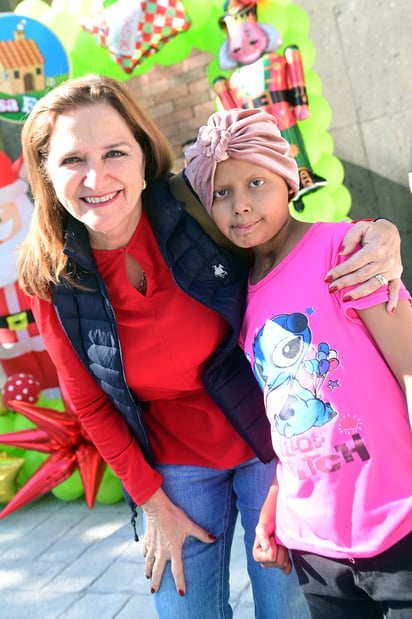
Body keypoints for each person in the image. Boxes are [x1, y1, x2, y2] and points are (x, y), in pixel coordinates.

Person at [17, 74, 403, 619]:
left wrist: (376, 232)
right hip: (172, 463)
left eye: (114, 152)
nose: (96, 176)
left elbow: (290, 237)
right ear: (46, 173)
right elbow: (90, 403)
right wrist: (152, 504)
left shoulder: (195, 208)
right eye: (72, 159)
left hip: (272, 436)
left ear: (144, 153)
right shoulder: (48, 277)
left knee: (287, 610)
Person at [185, 106, 412, 619]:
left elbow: (410, 368)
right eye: (221, 193)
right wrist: (273, 508)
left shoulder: (346, 248)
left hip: (398, 524)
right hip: (316, 548)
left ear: (289, 181)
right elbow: (284, 424)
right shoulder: (244, 300)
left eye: (256, 182)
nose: (240, 206)